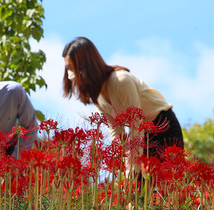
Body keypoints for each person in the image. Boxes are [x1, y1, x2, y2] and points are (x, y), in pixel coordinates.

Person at [62, 37, 184, 167]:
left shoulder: (121, 81)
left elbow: (135, 125)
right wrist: (125, 166)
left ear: (84, 66)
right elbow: (117, 133)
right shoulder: (98, 97)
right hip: (141, 137)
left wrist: (131, 169)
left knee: (161, 183)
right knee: (140, 184)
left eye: (71, 68)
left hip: (163, 128)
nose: (70, 75)